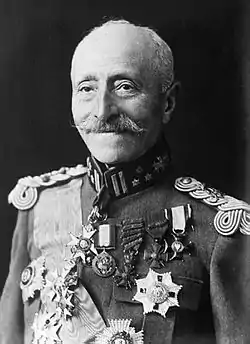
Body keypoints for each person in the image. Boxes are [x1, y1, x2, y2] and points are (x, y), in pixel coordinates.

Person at [0, 19, 249, 344]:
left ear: (168, 102)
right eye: (87, 88)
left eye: (125, 86)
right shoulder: (38, 207)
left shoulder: (217, 229)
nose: (102, 110)